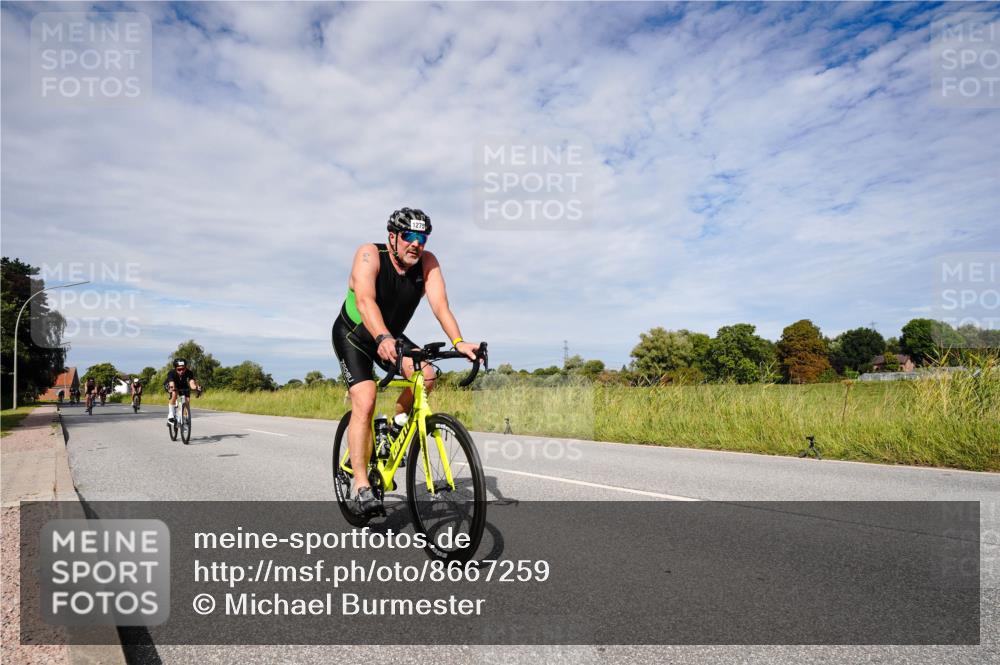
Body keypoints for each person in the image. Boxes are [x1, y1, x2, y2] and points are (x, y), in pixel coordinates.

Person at [331, 207, 479, 517]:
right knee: (366, 398)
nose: (416, 244)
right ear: (393, 237)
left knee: (426, 375)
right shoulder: (369, 254)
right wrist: (382, 337)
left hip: (391, 336)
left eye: (422, 238)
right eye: (409, 237)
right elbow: (364, 300)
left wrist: (459, 341)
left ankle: (396, 427)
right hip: (354, 335)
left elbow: (440, 305)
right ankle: (360, 484)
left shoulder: (428, 262)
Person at [163, 359, 201, 423]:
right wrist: (172, 388)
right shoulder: (171, 373)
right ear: (175, 368)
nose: (181, 371)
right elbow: (172, 383)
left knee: (187, 401)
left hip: (183, 385)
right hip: (171, 384)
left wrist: (196, 387)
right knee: (174, 393)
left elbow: (192, 384)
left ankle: (184, 417)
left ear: (186, 368)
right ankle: (171, 414)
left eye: (183, 369)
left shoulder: (189, 372)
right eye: (179, 369)